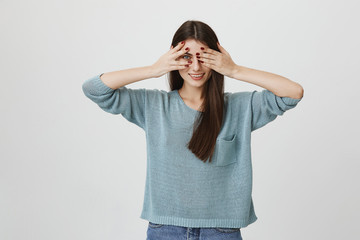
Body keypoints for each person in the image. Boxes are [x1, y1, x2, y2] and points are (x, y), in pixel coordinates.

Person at [82, 20, 304, 240]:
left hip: (221, 231)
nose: (196, 67)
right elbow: (94, 89)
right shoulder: (154, 105)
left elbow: (293, 93)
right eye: (186, 57)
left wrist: (234, 70)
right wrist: (154, 69)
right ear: (173, 56)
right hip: (165, 229)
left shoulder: (240, 108)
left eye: (204, 57)